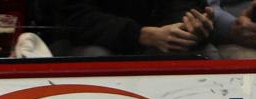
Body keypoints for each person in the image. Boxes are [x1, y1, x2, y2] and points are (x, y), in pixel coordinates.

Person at [35, 0, 215, 57]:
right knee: (96, 56)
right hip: (85, 43)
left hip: (157, 43)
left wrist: (187, 28)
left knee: (208, 54)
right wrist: (140, 35)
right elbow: (73, 19)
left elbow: (186, 7)